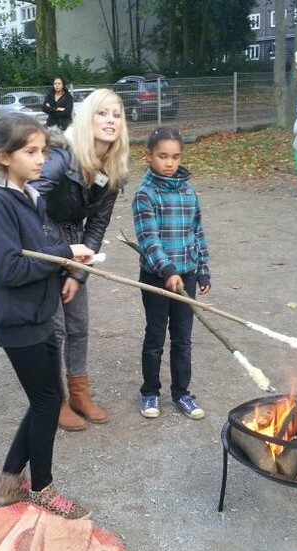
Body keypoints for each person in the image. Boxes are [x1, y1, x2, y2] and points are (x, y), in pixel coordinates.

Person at [0, 114, 94, 518]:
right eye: (31, 151)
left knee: (46, 398)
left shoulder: (30, 196)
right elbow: (10, 269)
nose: (41, 159)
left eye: (43, 150)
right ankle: (42, 488)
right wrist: (62, 254)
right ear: (4, 157)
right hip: (16, 320)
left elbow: (40, 250)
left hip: (41, 314)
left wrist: (68, 264)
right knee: (47, 401)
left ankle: (9, 481)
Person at [31, 88, 130, 432]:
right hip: (43, 246)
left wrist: (78, 272)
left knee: (78, 326)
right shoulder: (61, 157)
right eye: (103, 113)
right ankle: (54, 399)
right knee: (54, 329)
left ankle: (79, 393)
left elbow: (98, 224)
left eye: (117, 114)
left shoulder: (112, 169)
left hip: (76, 251)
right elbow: (28, 204)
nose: (111, 120)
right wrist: (57, 255)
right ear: (87, 117)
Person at [132, 126, 210, 420]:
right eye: (162, 156)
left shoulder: (188, 192)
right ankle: (150, 392)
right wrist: (166, 269)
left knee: (182, 339)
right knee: (155, 337)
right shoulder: (145, 194)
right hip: (156, 277)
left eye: (175, 157)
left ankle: (182, 393)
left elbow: (197, 233)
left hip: (185, 276)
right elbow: (148, 239)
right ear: (149, 156)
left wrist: (202, 270)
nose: (169, 163)